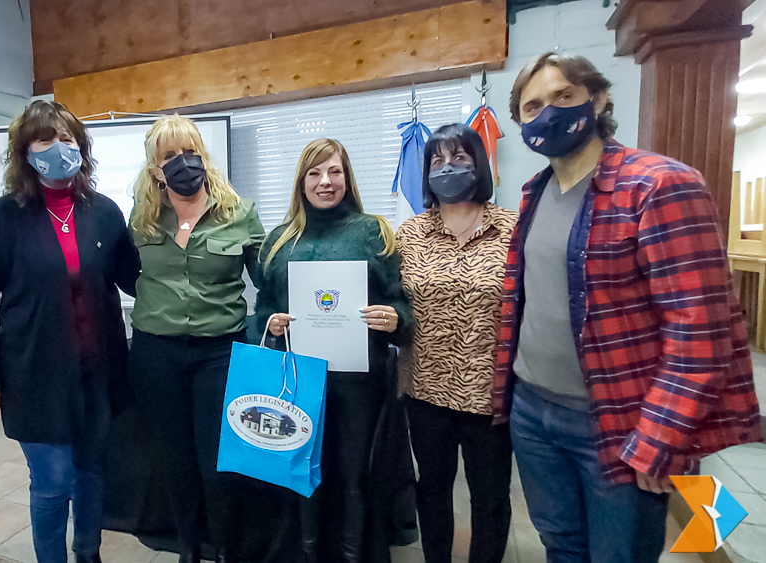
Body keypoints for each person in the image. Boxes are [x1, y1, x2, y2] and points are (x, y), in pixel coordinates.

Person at [493, 52, 763, 562]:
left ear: (597, 99)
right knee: (561, 546)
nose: (548, 114)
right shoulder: (535, 191)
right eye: (532, 107)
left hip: (617, 418)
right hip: (533, 411)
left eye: (563, 96)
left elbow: (701, 330)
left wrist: (662, 435)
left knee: (619, 554)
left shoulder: (659, 183)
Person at [0, 100, 141, 563]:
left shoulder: (104, 212)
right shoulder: (1, 218)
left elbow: (134, 280)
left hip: (97, 371)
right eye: (45, 139)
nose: (58, 148)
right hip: (33, 375)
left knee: (91, 470)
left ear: (81, 147)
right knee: (52, 481)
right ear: (25, 151)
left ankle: (88, 553)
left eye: (67, 138)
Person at [257, 138, 413, 563]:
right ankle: (309, 555)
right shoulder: (278, 240)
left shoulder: (373, 232)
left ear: (347, 177)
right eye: (315, 173)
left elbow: (401, 304)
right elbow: (264, 306)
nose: (325, 181)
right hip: (298, 382)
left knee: (353, 476)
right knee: (303, 474)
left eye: (334, 171)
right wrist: (270, 322)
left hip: (358, 382)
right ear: (301, 182)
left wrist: (394, 319)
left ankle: (352, 556)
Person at [127, 115, 265, 563]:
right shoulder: (142, 217)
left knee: (219, 461)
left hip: (219, 353)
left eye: (189, 151)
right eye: (169, 155)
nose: (182, 162)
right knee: (175, 459)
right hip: (156, 352)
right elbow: (126, 273)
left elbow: (267, 278)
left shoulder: (239, 212)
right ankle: (187, 548)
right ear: (154, 168)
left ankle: (223, 549)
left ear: (203, 155)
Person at [396, 123, 516, 563]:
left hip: (490, 393)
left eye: (459, 158)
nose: (448, 168)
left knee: (490, 497)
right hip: (426, 389)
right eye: (437, 160)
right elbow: (391, 299)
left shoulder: (512, 227)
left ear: (478, 164)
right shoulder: (409, 233)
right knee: (432, 489)